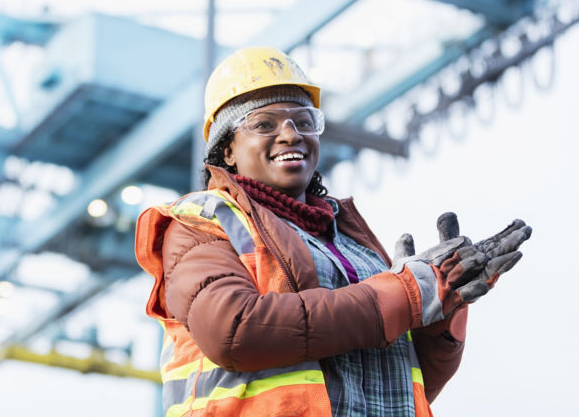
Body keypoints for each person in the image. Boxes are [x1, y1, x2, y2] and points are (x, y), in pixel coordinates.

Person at [135, 46, 531, 417]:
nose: (291, 134)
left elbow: (410, 383)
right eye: (263, 123)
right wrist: (407, 294)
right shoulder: (200, 222)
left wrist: (441, 310)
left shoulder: (353, 245)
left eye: (304, 121)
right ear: (227, 151)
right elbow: (235, 330)